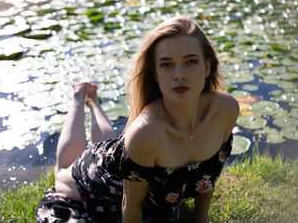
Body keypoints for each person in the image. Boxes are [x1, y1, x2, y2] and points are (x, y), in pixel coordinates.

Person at [36, 16, 239, 223]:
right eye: (167, 64)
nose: (179, 74)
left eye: (191, 62)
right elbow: (130, 204)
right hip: (95, 186)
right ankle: (79, 98)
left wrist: (201, 219)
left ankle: (93, 102)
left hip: (123, 160)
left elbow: (209, 173)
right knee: (62, 173)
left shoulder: (225, 111)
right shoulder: (146, 134)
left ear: (207, 67)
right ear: (156, 74)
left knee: (110, 147)